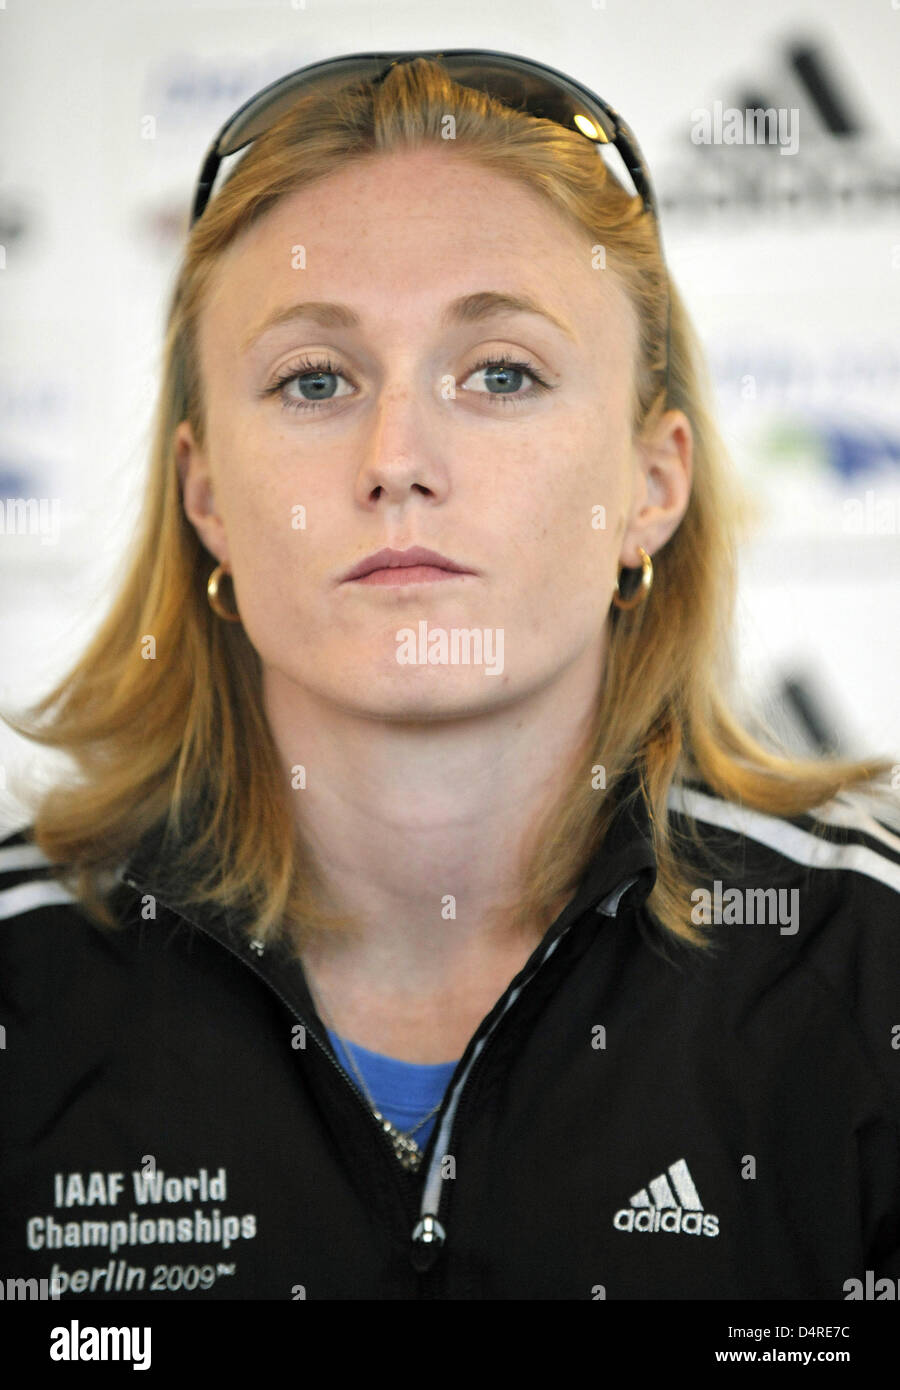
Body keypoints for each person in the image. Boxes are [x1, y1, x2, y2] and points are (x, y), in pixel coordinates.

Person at [0, 50, 898, 1303]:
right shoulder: (23, 977)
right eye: (314, 379)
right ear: (205, 496)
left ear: (653, 483)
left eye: (502, 374)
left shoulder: (868, 961)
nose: (398, 459)